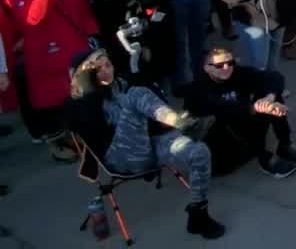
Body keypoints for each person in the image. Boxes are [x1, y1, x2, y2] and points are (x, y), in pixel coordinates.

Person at [65, 50, 225, 239]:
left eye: (108, 65)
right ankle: (185, 124)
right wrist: (89, 90)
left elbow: (157, 101)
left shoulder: (122, 84)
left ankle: (199, 214)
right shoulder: (77, 104)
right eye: (98, 69)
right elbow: (90, 131)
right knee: (135, 94)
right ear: (83, 76)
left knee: (199, 151)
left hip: (147, 144)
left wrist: (139, 71)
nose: (106, 71)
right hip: (120, 158)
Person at [3, 0, 98, 162]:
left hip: (75, 49)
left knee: (83, 96)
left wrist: (94, 35)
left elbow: (84, 13)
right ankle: (60, 143)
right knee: (55, 105)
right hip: (43, 58)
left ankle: (86, 137)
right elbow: (31, 22)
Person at [186, 46, 296, 178]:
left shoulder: (236, 72)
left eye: (230, 63)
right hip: (218, 136)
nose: (226, 68)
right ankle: (264, 158)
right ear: (207, 68)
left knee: (271, 97)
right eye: (219, 65)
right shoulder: (198, 88)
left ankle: (284, 145)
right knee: (245, 115)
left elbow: (273, 77)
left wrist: (269, 98)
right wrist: (256, 108)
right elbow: (219, 108)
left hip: (239, 121)